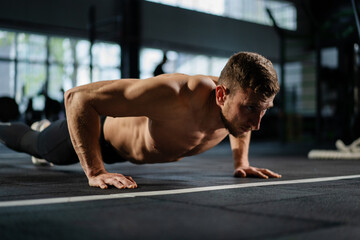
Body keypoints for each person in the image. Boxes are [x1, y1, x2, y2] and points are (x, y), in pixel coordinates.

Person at [0, 51, 281, 190]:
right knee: (35, 144)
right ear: (220, 95)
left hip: (133, 154)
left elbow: (241, 121)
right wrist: (96, 171)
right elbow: (78, 98)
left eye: (264, 110)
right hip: (99, 138)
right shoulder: (177, 94)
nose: (257, 123)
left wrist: (241, 162)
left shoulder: (235, 106)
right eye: (251, 109)